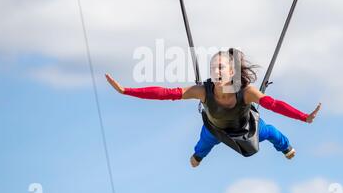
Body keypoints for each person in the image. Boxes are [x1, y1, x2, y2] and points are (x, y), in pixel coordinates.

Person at [105, 48, 321, 168]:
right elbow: (166, 94)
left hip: (247, 128)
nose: (215, 71)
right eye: (212, 67)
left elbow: (273, 105)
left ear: (232, 71)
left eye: (220, 67)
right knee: (201, 148)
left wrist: (303, 117)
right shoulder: (202, 91)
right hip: (215, 129)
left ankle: (286, 148)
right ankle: (198, 157)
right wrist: (126, 90)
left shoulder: (247, 92)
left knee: (272, 133)